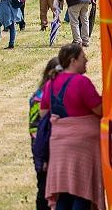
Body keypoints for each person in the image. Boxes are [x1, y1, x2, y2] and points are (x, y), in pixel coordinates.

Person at [40, 44, 104, 210]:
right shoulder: (81, 82)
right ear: (73, 60)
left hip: (59, 145)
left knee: (65, 193)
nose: (86, 60)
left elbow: (43, 114)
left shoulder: (51, 83)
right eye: (83, 57)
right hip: (82, 147)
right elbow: (100, 110)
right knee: (82, 193)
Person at [29, 57, 60, 210]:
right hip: (43, 150)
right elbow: (35, 129)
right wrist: (44, 155)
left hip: (55, 148)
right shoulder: (39, 98)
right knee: (44, 189)